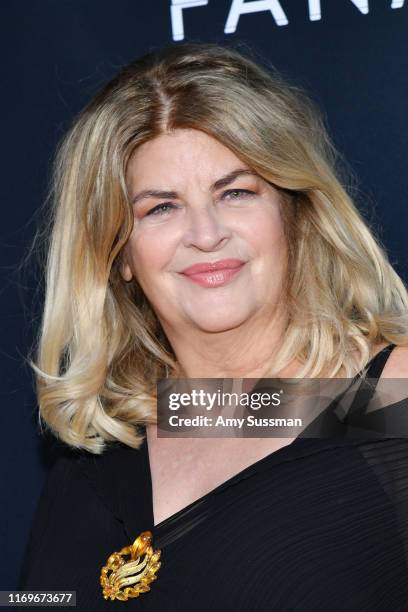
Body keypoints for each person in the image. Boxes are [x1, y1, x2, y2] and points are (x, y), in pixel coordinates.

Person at [18, 42, 408, 610]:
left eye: (236, 192)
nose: (205, 233)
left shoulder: (389, 395)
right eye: (161, 207)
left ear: (294, 215)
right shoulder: (110, 441)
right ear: (120, 254)